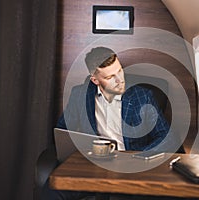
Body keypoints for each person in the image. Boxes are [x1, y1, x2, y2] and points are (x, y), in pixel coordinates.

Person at [42, 47, 181, 200]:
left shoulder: (142, 96)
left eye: (120, 71)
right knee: (51, 190)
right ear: (95, 80)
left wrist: (139, 158)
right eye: (110, 77)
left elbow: (168, 137)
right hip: (94, 167)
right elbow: (63, 131)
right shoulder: (79, 95)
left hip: (132, 169)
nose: (120, 79)